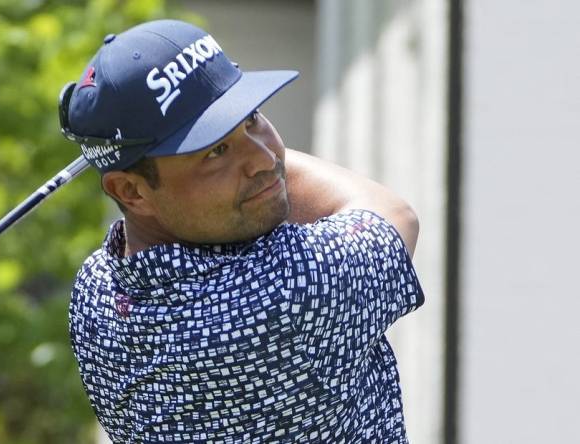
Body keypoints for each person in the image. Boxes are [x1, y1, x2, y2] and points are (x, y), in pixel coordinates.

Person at [62, 19, 424, 443]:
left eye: (252, 118)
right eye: (216, 149)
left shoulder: (94, 294)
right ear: (131, 191)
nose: (264, 157)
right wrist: (255, 145)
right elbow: (393, 215)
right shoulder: (288, 291)